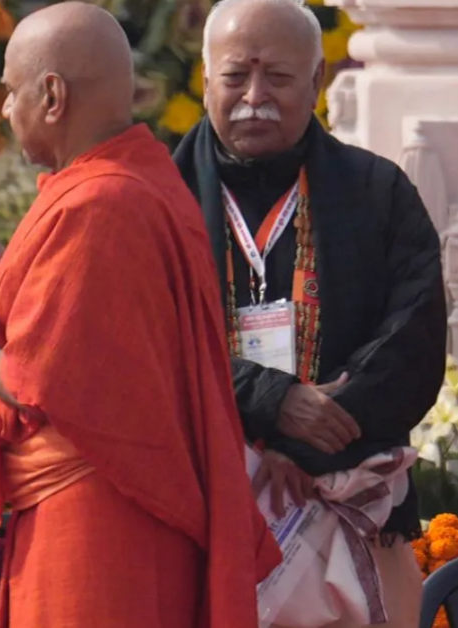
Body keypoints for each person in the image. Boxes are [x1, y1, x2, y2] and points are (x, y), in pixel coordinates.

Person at [0, 3, 281, 627]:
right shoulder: (131, 182)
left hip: (99, 523)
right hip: (119, 508)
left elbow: (41, 376)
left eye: (12, 91)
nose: (5, 109)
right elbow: (60, 314)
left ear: (52, 96)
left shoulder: (101, 201)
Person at [172, 0, 446, 625]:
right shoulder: (158, 200)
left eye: (278, 77)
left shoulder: (377, 190)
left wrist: (305, 441)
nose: (254, 97)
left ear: (317, 80)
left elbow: (415, 338)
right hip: (206, 513)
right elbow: (144, 348)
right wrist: (271, 402)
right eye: (235, 76)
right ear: (207, 78)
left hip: (352, 504)